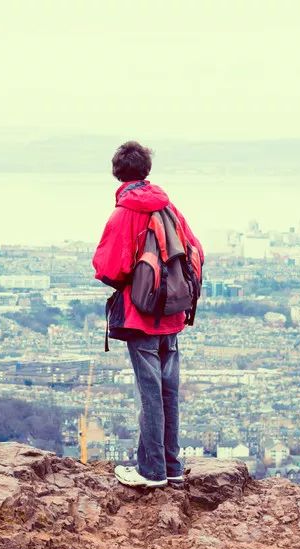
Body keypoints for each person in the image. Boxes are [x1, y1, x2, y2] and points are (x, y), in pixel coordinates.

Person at [92, 141, 204, 488]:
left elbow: (108, 266)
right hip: (172, 312)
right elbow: (195, 249)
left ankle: (151, 470)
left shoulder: (125, 212)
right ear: (146, 170)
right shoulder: (169, 207)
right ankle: (171, 465)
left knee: (150, 393)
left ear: (117, 173)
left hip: (142, 315)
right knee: (169, 391)